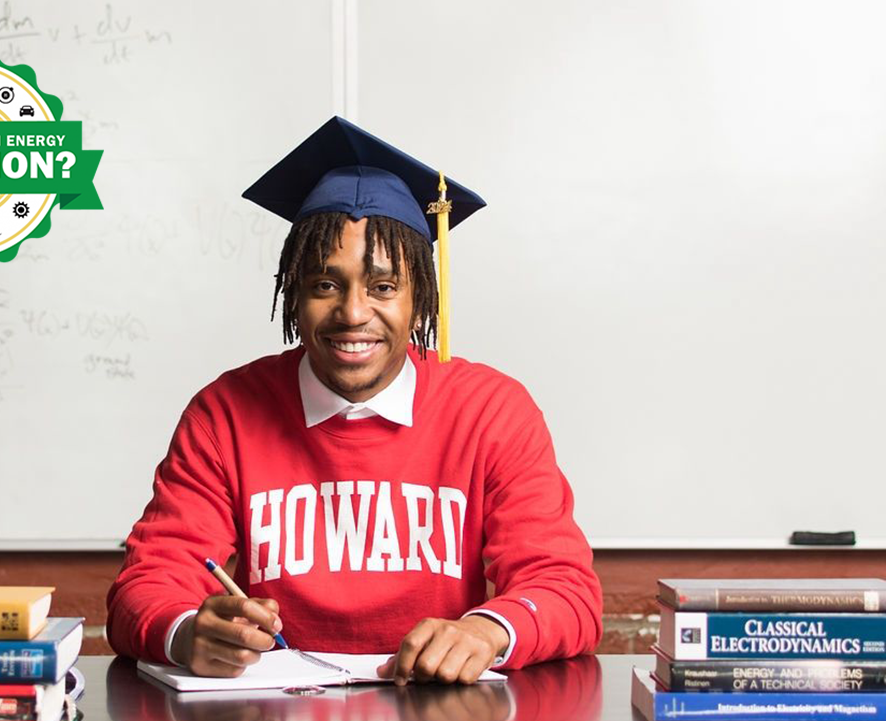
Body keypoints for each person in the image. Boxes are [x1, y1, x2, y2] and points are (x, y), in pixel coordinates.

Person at [107, 117, 602, 684]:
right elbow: (144, 588)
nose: (352, 312)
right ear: (294, 292)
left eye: (384, 287)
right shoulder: (225, 413)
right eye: (325, 284)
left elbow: (566, 590)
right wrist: (188, 631)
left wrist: (486, 631)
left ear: (421, 299)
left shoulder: (492, 411)